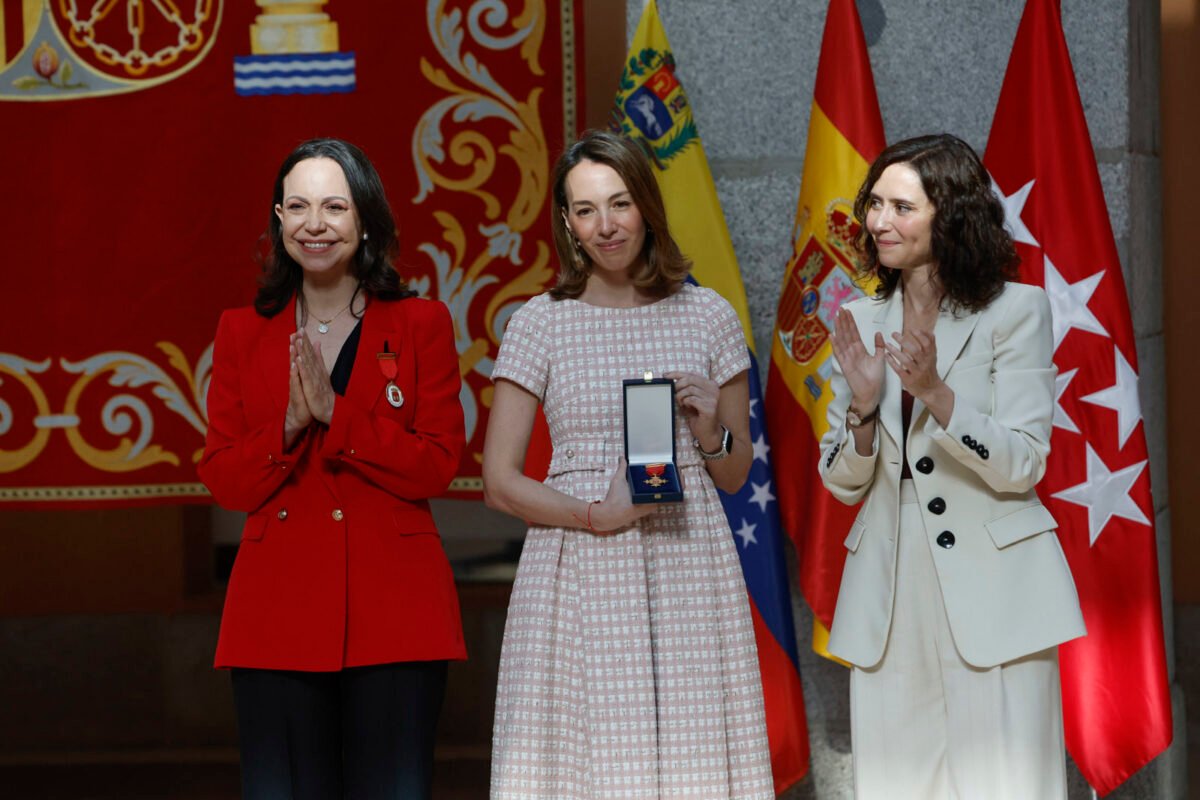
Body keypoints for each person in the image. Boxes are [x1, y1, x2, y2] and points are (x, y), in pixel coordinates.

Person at [482, 130, 774, 799]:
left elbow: (734, 474)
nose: (606, 226)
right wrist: (596, 515)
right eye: (586, 210)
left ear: (646, 203)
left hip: (687, 558)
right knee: (583, 759)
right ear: (566, 221)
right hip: (577, 563)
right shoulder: (539, 322)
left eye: (620, 204)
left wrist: (706, 432)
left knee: (692, 751)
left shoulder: (708, 316)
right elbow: (500, 482)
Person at [819, 133, 1086, 799]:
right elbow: (842, 481)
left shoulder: (1016, 311)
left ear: (953, 214)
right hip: (888, 588)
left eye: (902, 207)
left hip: (998, 587)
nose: (879, 221)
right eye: (874, 204)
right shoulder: (857, 317)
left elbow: (1023, 462)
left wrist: (937, 395)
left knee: (1007, 784)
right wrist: (860, 407)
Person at [198, 137, 466, 800]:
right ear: (279, 222)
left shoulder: (419, 323)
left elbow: (438, 464)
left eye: (334, 207)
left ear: (366, 220)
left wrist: (337, 416)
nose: (315, 223)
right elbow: (226, 478)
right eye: (298, 207)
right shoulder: (240, 330)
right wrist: (290, 424)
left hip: (398, 609)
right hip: (275, 613)